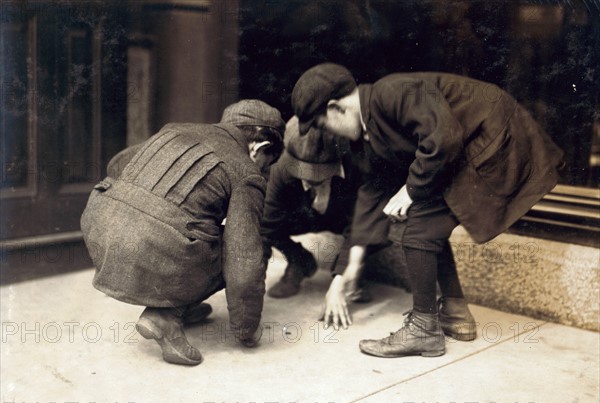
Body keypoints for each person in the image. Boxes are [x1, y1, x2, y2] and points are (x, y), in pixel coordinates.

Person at [291, 63, 564, 357]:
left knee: (418, 225)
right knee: (426, 225)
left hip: (495, 138)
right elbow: (373, 192)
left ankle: (424, 328)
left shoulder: (392, 91)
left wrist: (410, 190)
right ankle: (455, 314)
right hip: (472, 145)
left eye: (321, 124)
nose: (331, 135)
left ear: (336, 108)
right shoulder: (369, 132)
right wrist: (350, 266)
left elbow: (443, 136)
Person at [81, 100, 285, 366]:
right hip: (151, 243)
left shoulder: (176, 129)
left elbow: (116, 164)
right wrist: (247, 328)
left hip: (98, 223)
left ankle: (179, 299)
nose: (264, 173)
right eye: (266, 165)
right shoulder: (246, 171)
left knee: (195, 231)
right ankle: (166, 316)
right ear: (260, 147)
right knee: (238, 248)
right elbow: (243, 264)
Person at [261, 116, 388, 310]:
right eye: (304, 171)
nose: (312, 178)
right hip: (301, 217)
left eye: (320, 172)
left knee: (379, 225)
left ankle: (353, 275)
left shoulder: (356, 165)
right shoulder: (281, 169)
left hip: (343, 219)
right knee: (258, 220)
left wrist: (341, 276)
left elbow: (361, 224)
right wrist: (250, 280)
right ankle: (300, 261)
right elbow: (266, 226)